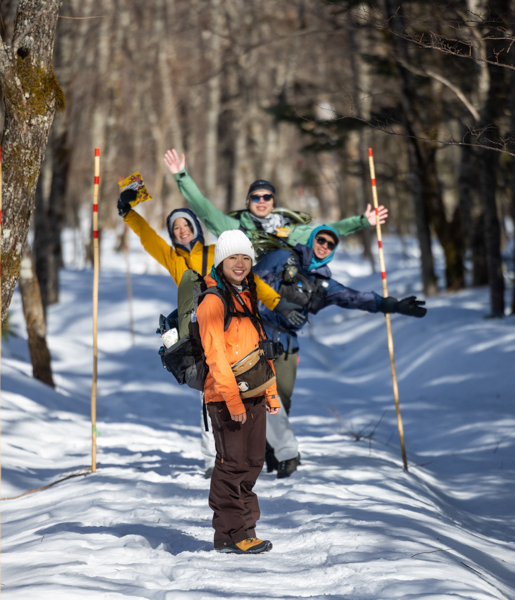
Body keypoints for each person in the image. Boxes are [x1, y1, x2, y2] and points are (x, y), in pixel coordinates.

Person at [116, 191, 305, 476]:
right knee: (209, 396)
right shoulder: (173, 259)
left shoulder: (215, 252)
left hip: (238, 329)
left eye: (186, 225)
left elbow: (248, 277)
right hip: (202, 334)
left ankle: (287, 453)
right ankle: (211, 462)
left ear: (195, 228)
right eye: (176, 228)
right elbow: (147, 237)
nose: (181, 231)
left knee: (262, 386)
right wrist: (127, 212)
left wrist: (278, 303)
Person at [253, 224, 427, 478]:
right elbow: (249, 281)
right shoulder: (281, 257)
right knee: (259, 396)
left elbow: (354, 298)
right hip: (256, 336)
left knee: (281, 401)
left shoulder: (324, 283)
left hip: (288, 345)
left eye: (330, 244)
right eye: (320, 240)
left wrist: (394, 305)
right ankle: (267, 451)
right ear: (312, 240)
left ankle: (272, 448)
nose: (324, 246)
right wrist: (278, 307)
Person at [199, 230, 280, 554]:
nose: (241, 263)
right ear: (221, 260)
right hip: (225, 397)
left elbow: (260, 351)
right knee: (232, 464)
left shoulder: (247, 296)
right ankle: (231, 533)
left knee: (254, 462)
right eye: (233, 257)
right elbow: (215, 354)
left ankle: (246, 528)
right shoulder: (213, 302)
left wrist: (271, 392)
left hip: (255, 393)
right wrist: (232, 400)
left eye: (246, 257)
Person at [162, 149, 389, 256]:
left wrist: (363, 221)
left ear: (273, 202)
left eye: (267, 197)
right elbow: (204, 208)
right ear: (248, 201)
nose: (261, 201)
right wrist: (182, 175)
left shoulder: (286, 230)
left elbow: (326, 232)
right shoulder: (234, 228)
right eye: (256, 197)